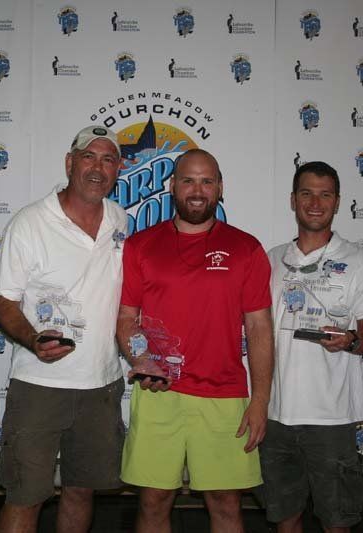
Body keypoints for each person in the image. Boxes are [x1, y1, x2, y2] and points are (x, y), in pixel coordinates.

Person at [116, 149, 274, 532]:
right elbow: (126, 319)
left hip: (224, 396)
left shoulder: (246, 248)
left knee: (226, 504)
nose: (197, 190)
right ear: (172, 186)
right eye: (188, 180)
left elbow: (259, 328)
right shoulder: (140, 245)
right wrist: (141, 359)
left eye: (206, 181)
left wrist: (260, 400)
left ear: (220, 187)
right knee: (153, 501)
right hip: (158, 394)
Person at [0, 126, 128, 533]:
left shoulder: (119, 219)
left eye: (108, 159)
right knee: (26, 496)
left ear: (118, 169)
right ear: (70, 163)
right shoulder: (30, 222)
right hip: (40, 385)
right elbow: (3, 301)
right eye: (88, 157)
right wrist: (33, 339)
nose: (97, 168)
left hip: (101, 385)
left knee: (81, 490)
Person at [260, 161, 363, 532]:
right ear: (293, 200)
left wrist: (351, 341)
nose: (315, 203)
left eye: (325, 194)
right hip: (276, 415)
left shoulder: (358, 262)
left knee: (337, 521)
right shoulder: (271, 259)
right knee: (284, 518)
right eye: (307, 194)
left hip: (331, 419)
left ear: (338, 201)